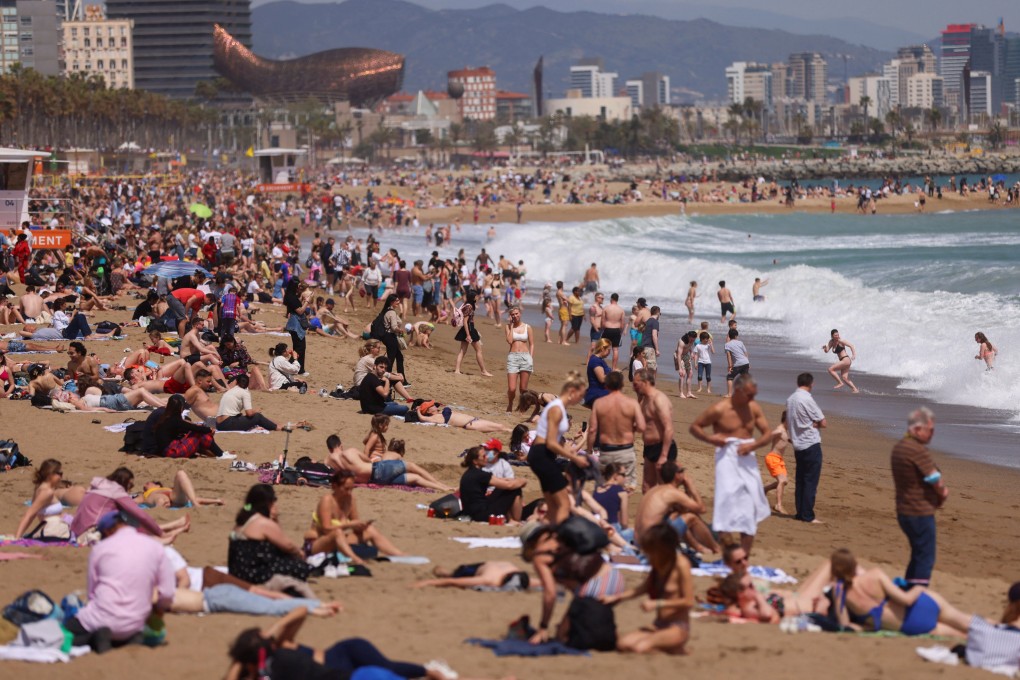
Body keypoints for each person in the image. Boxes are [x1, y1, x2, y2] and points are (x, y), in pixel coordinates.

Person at [224, 607, 457, 680]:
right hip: (355, 674)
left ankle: (432, 671)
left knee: (391, 667)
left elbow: (301, 611)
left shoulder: (280, 648)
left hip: (347, 657)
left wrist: (270, 634)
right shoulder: (269, 665)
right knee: (389, 670)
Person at [63, 510, 176, 653]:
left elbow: (92, 594)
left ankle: (93, 639)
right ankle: (128, 638)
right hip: (135, 622)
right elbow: (167, 593)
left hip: (101, 618)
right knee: (148, 633)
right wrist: (157, 611)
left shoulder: (100, 549)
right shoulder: (155, 547)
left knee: (65, 632)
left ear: (109, 531)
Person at [689, 373, 771, 554]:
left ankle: (744, 556)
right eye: (749, 394)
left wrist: (753, 445)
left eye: (754, 394)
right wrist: (711, 440)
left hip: (748, 456)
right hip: (726, 456)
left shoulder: (753, 408)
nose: (752, 398)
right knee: (725, 504)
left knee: (749, 506)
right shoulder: (720, 409)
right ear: (738, 391)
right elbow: (695, 426)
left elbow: (767, 434)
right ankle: (728, 555)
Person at [520, 522, 624, 648]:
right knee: (590, 623)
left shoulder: (540, 557)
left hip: (595, 588)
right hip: (615, 577)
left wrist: (543, 627)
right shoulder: (563, 538)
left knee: (562, 637)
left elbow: (550, 594)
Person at [829, 548, 970, 637]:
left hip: (911, 626)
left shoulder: (839, 592)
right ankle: (992, 627)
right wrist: (919, 588)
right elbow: (906, 600)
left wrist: (866, 626)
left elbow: (845, 625)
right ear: (854, 565)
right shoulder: (875, 574)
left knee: (963, 635)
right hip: (918, 606)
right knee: (968, 623)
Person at [604, 523, 694, 654]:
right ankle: (668, 646)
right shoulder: (658, 564)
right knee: (622, 644)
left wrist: (657, 603)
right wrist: (615, 597)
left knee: (639, 648)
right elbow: (642, 589)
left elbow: (688, 601)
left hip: (677, 626)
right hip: (658, 625)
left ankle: (676, 648)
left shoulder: (681, 565)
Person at [891, 406, 947, 588]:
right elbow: (934, 479)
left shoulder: (899, 448)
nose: (932, 434)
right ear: (917, 429)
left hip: (904, 509)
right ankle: (915, 598)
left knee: (917, 554)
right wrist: (943, 494)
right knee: (925, 557)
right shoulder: (917, 450)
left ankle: (907, 591)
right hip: (919, 511)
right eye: (930, 430)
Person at [303, 469, 404, 565]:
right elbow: (326, 528)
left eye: (352, 488)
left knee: (370, 529)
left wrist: (361, 525)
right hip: (318, 543)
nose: (349, 492)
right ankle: (356, 559)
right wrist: (350, 524)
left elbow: (355, 525)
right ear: (335, 486)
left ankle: (400, 555)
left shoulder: (350, 499)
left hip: (339, 541)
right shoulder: (327, 500)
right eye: (346, 489)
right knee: (337, 533)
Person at [526, 372, 589, 524]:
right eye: (580, 395)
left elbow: (556, 441)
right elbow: (551, 442)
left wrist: (571, 449)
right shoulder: (556, 409)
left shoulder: (558, 408)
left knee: (553, 503)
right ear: (572, 392)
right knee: (564, 504)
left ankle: (542, 532)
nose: (581, 399)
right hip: (541, 455)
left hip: (543, 455)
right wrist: (574, 458)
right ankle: (556, 538)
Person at [229, 484, 311, 586]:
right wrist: (300, 553)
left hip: (235, 572)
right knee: (300, 567)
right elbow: (287, 545)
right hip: (251, 575)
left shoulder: (242, 520)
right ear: (268, 503)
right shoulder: (263, 522)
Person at [633, 460, 717, 555]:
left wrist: (687, 491)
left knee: (677, 516)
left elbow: (683, 510)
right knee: (691, 518)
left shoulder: (655, 490)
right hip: (652, 541)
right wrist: (691, 486)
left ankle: (699, 548)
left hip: (640, 541)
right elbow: (702, 509)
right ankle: (717, 549)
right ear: (677, 475)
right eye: (682, 471)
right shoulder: (672, 492)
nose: (685, 475)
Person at [325, 434, 452, 492]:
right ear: (340, 445)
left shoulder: (328, 461)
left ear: (329, 449)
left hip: (373, 481)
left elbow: (328, 474)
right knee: (411, 466)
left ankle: (441, 487)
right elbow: (368, 461)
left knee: (415, 478)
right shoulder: (350, 451)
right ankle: (441, 486)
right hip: (378, 471)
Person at [587, 370, 644, 491]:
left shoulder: (599, 403)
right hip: (626, 449)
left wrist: (589, 450)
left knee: (603, 485)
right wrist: (630, 427)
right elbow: (641, 427)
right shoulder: (632, 403)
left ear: (606, 385)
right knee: (626, 487)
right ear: (622, 385)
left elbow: (592, 429)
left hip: (607, 450)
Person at [786, 372, 827, 523]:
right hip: (810, 443)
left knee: (801, 480)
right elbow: (823, 422)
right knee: (810, 481)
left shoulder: (790, 399)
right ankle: (807, 515)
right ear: (811, 384)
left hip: (798, 444)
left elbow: (790, 421)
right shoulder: (807, 399)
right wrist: (813, 424)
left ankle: (800, 512)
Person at [140, 394, 232, 459]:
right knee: (199, 434)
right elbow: (194, 428)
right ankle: (221, 454)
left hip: (166, 449)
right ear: (180, 408)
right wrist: (209, 429)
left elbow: (188, 426)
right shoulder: (174, 420)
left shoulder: (165, 417)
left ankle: (220, 454)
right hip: (172, 451)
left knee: (198, 432)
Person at [14, 459, 87, 539]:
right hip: (56, 530)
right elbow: (29, 515)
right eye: (59, 473)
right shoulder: (46, 492)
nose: (61, 477)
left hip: (57, 527)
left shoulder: (39, 488)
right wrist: (17, 537)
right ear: (50, 474)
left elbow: (32, 515)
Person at [633, 368, 676, 493]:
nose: (633, 387)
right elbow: (641, 424)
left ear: (645, 382)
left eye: (636, 384)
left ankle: (669, 512)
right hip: (649, 448)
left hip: (662, 447)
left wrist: (663, 455)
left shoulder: (659, 399)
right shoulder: (644, 400)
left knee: (664, 488)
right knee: (647, 488)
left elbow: (669, 429)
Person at [459, 445, 526, 523]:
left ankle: (512, 519)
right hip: (481, 514)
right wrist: (523, 481)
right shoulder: (480, 474)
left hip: (471, 512)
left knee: (508, 486)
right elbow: (509, 485)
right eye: (484, 456)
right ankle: (516, 520)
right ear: (475, 461)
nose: (486, 458)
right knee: (515, 488)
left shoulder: (470, 473)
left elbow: (500, 480)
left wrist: (514, 481)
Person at [413, 561, 530, 590]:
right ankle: (444, 572)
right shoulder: (491, 579)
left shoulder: (515, 570)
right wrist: (429, 582)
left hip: (487, 565)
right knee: (453, 576)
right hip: (471, 570)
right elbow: (454, 582)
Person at [453, 290, 492, 377]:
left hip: (466, 329)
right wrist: (468, 334)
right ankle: (483, 371)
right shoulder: (469, 306)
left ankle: (457, 370)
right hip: (469, 329)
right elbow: (465, 321)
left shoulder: (466, 304)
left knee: (462, 351)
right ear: (473, 298)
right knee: (478, 350)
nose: (478, 297)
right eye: (476, 296)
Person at [412, 399, 511, 433]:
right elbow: (422, 418)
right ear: (429, 410)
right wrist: (418, 411)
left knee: (500, 427)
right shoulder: (434, 418)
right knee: (500, 427)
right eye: (432, 405)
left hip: (474, 420)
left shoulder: (438, 413)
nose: (434, 405)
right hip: (471, 424)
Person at [504, 305, 534, 414]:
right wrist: (512, 326)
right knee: (512, 388)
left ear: (520, 314)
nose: (515, 316)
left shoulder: (527, 327)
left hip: (526, 357)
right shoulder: (508, 327)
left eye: (516, 314)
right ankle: (510, 403)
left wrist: (531, 357)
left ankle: (521, 407)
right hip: (513, 357)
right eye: (513, 314)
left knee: (523, 389)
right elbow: (509, 340)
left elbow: (532, 344)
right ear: (510, 316)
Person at [139, 470, 223, 508]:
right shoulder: (145, 494)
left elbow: (195, 499)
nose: (145, 485)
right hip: (157, 499)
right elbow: (130, 501)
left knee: (181, 473)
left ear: (158, 485)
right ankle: (159, 509)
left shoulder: (168, 489)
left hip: (174, 498)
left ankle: (195, 505)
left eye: (149, 483)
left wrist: (216, 501)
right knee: (160, 499)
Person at [763, 411, 790, 515]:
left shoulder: (785, 431)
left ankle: (764, 489)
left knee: (784, 481)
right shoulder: (780, 430)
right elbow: (770, 435)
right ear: (787, 420)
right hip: (772, 458)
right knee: (782, 480)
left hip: (779, 459)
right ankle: (778, 505)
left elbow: (784, 439)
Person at [583, 338, 612, 407]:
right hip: (597, 393)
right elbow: (602, 379)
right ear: (602, 349)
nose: (609, 353)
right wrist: (614, 374)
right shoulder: (596, 361)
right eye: (608, 350)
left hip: (601, 391)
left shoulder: (599, 360)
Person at [602, 292, 626, 370]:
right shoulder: (621, 310)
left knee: (604, 347)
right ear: (617, 300)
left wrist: (603, 329)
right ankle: (614, 367)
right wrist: (621, 332)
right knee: (615, 349)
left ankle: (601, 364)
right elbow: (622, 323)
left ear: (611, 299)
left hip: (607, 329)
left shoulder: (606, 308)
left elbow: (603, 321)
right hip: (616, 330)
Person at [724, 328, 750, 397]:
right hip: (745, 362)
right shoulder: (740, 342)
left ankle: (729, 394)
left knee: (729, 377)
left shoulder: (727, 344)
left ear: (729, 336)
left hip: (738, 364)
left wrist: (730, 366)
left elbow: (729, 356)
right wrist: (748, 363)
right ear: (736, 336)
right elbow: (746, 353)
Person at [638, 305, 661, 377]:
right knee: (652, 370)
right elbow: (654, 335)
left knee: (645, 368)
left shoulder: (647, 321)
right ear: (658, 313)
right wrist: (657, 349)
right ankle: (650, 386)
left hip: (642, 347)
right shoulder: (655, 322)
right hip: (649, 348)